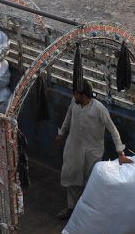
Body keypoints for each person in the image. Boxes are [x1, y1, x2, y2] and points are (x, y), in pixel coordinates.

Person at [55, 79, 131, 219]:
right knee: (72, 179)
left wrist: (120, 152)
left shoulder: (99, 109)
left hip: (92, 152)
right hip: (74, 148)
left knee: (90, 182)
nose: (74, 96)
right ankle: (71, 208)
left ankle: (87, 212)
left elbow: (113, 130)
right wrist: (61, 133)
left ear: (83, 95)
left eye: (76, 94)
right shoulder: (74, 102)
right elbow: (68, 117)